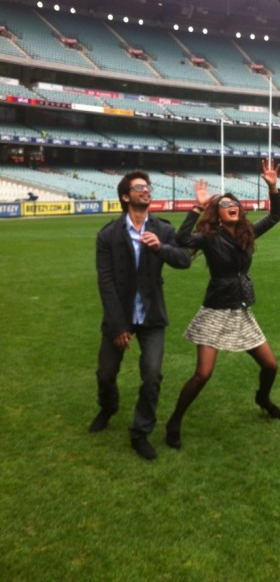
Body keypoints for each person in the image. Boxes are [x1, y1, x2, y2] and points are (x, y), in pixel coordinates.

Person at [165, 159, 280, 450]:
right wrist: (198, 207)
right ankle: (174, 421)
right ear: (218, 216)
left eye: (235, 203)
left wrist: (273, 188)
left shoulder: (247, 234)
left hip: (241, 310)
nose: (232, 205)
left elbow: (275, 217)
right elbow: (181, 239)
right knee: (203, 374)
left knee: (271, 366)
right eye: (225, 204)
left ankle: (263, 398)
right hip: (216, 311)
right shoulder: (210, 238)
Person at [89, 169, 191, 460]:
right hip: (119, 315)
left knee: (152, 375)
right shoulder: (108, 235)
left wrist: (162, 249)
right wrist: (118, 325)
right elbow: (105, 282)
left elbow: (184, 260)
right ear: (125, 196)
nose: (146, 191)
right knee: (106, 374)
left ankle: (140, 432)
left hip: (151, 316)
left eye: (148, 187)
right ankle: (108, 407)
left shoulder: (162, 228)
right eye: (139, 187)